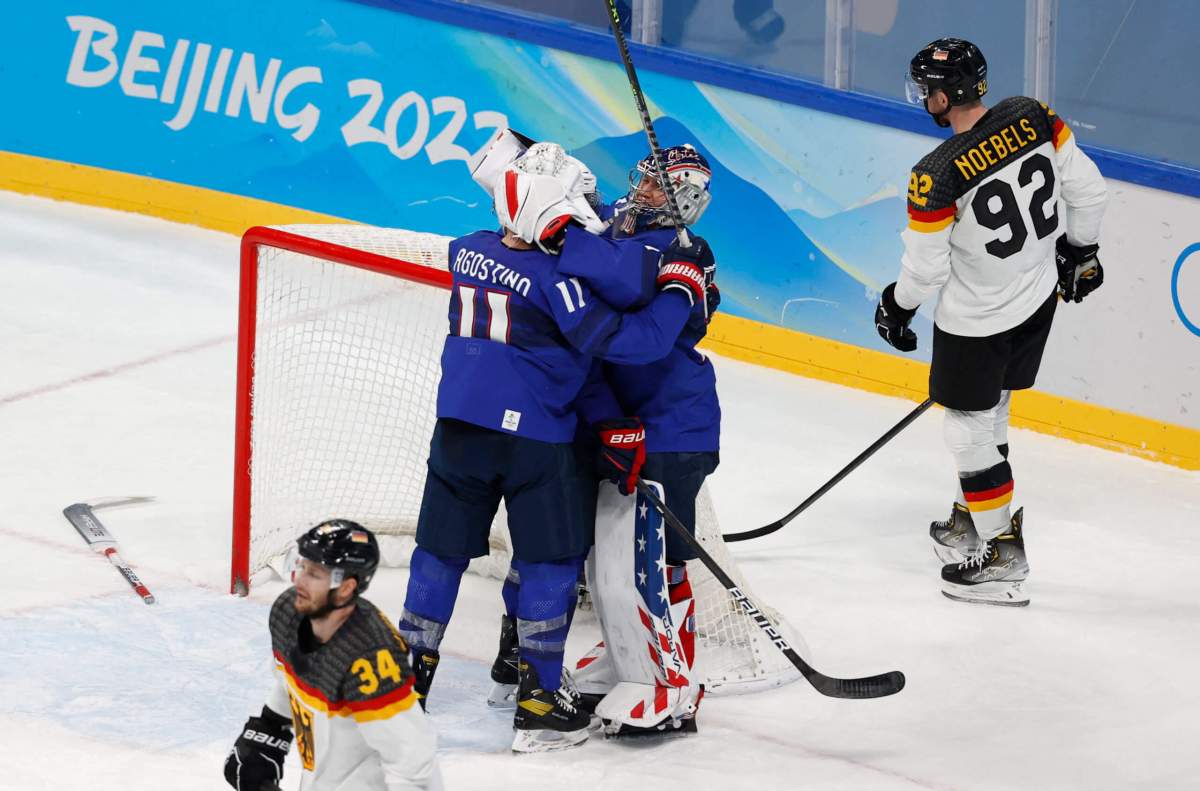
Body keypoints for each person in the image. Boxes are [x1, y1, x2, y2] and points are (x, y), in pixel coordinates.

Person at [396, 147, 712, 753]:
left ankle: (408, 684)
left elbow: (568, 216)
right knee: (551, 562)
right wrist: (681, 289)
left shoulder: (467, 248)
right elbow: (629, 339)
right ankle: (536, 697)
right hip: (537, 437)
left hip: (457, 430)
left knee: (439, 552)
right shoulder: (560, 280)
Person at [486, 144, 720, 737]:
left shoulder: (687, 254)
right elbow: (580, 233)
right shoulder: (617, 223)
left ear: (684, 199)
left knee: (659, 561)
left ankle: (674, 683)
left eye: (654, 186)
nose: (638, 191)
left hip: (670, 424)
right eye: (642, 181)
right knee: (610, 557)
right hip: (609, 417)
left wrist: (569, 235)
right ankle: (629, 656)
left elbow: (639, 311)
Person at [874, 38, 1107, 607]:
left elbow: (925, 270)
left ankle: (1002, 552)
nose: (921, 98)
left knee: (966, 429)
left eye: (925, 88)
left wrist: (896, 306)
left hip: (977, 319)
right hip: (1036, 300)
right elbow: (1090, 190)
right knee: (993, 408)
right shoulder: (1034, 116)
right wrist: (1082, 253)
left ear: (944, 95)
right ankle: (973, 520)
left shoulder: (935, 174)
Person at [224, 520, 441, 790]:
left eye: (314, 574)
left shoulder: (371, 658)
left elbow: (413, 763)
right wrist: (270, 727)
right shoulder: (288, 614)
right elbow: (290, 678)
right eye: (301, 565)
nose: (299, 579)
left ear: (347, 588)